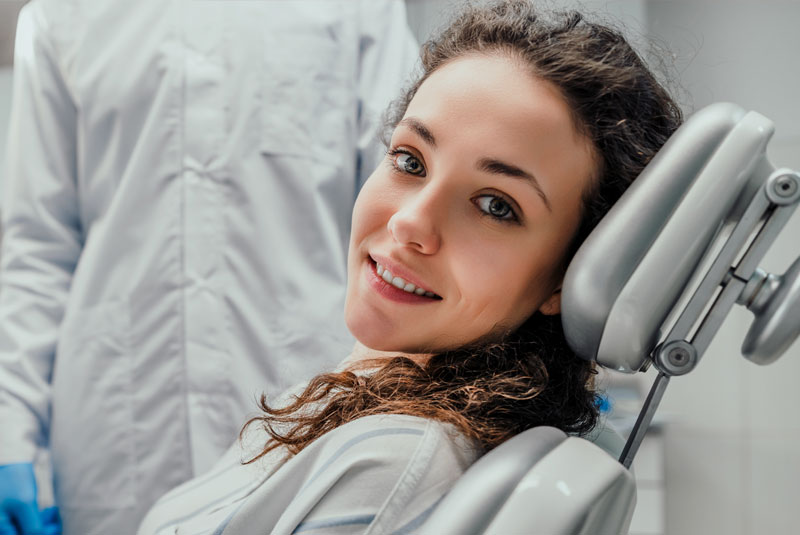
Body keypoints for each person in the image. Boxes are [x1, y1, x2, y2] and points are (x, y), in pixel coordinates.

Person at [135, 1, 684, 533]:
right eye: (410, 160)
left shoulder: (395, 468)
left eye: (496, 205)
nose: (409, 223)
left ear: (570, 276)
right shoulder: (365, 404)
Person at [0, 1, 418, 534]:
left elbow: (400, 215)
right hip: (113, 433)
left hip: (305, 404)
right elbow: (39, 246)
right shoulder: (62, 16)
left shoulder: (357, 11)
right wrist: (11, 433)